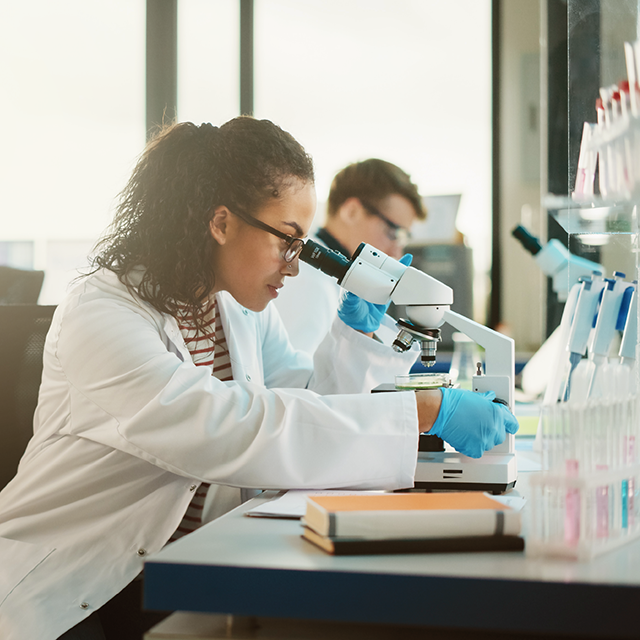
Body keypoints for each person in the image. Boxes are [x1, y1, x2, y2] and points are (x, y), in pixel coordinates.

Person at [0, 117, 518, 640]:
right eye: (287, 241)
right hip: (66, 587)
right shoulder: (102, 311)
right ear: (221, 223)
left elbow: (305, 405)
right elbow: (222, 427)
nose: (294, 267)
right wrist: (426, 410)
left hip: (174, 568)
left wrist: (355, 342)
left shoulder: (236, 307)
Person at [274, 158, 427, 354]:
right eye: (394, 233)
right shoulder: (310, 283)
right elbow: (302, 383)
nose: (397, 252)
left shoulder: (332, 283)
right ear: (352, 211)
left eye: (403, 239)